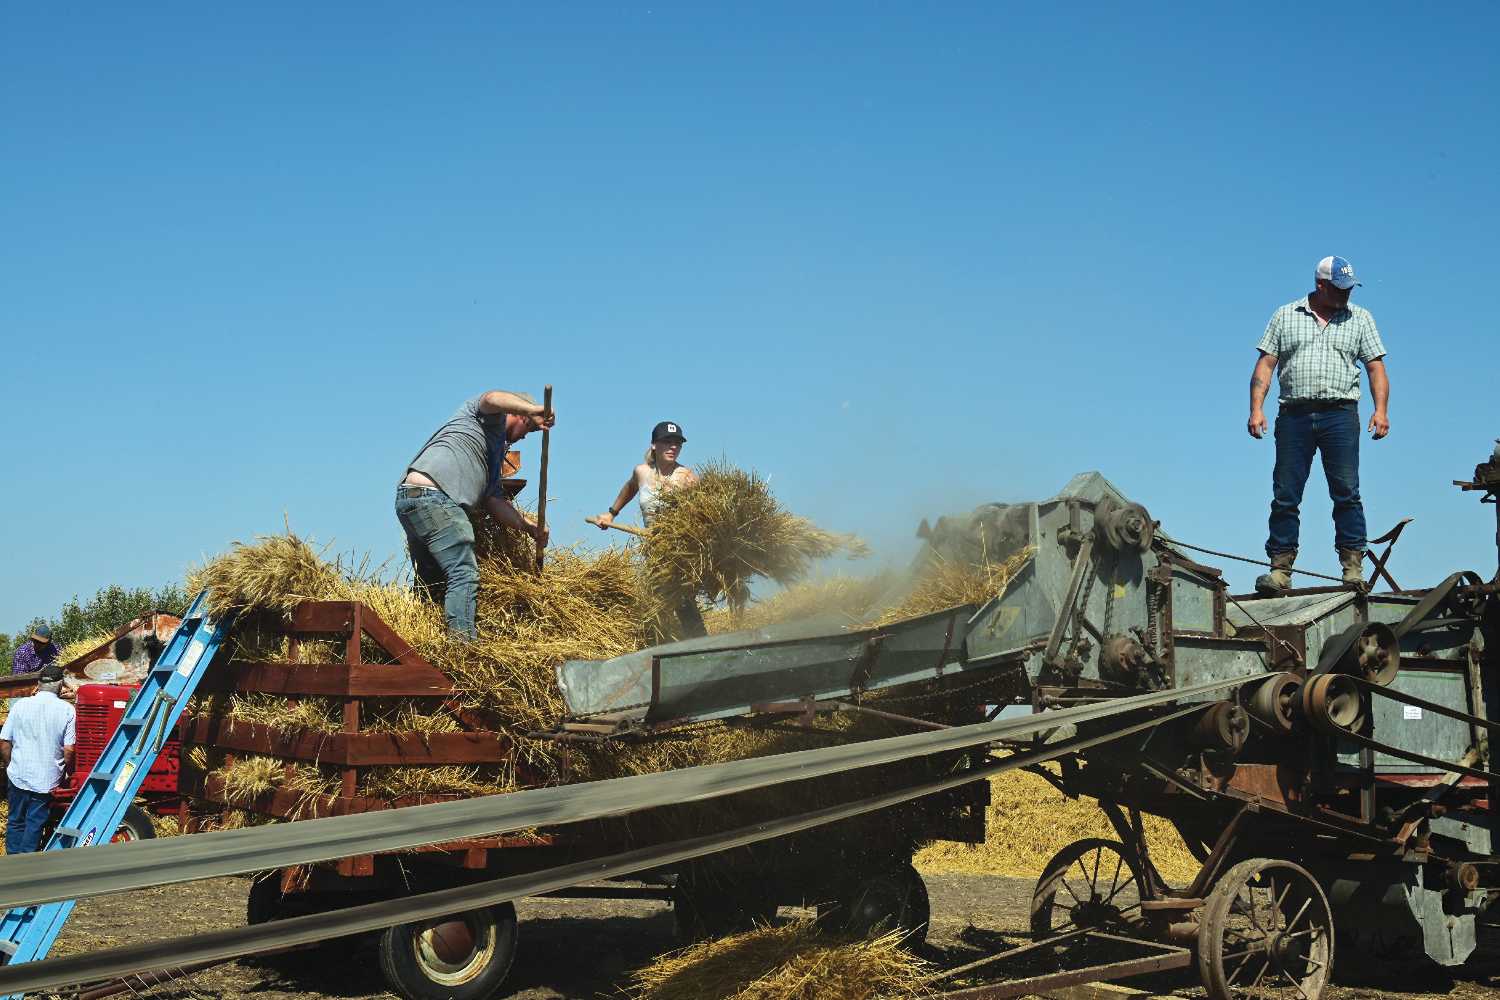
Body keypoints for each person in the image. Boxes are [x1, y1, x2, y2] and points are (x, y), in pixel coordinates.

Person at [1248, 256, 1389, 594]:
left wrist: (1381, 410)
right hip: (1294, 416)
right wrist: (1256, 409)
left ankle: (1352, 568)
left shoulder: (1361, 318)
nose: (1346, 295)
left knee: (1346, 492)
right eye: (1339, 289)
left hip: (1340, 415)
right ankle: (1280, 571)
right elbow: (1266, 365)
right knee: (1285, 494)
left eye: (1349, 289)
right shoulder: (1286, 315)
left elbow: (1375, 368)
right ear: (1320, 285)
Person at [397, 390, 555, 639]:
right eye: (529, 430)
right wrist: (531, 410)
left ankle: (421, 644)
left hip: (412, 499)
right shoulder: (487, 417)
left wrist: (528, 527)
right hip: (436, 497)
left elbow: (494, 501)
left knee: (433, 581)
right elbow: (492, 398)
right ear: (519, 415)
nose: (525, 437)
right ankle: (462, 649)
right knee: (463, 572)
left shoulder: (492, 456)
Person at [595, 421, 707, 637]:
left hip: (679, 554)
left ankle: (702, 649)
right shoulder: (642, 472)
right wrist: (611, 513)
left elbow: (703, 516)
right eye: (667, 442)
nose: (673, 447)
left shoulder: (687, 477)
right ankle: (663, 650)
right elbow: (629, 488)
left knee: (683, 605)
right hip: (654, 553)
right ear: (654, 445)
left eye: (677, 443)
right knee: (654, 605)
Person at [0, 663, 76, 854]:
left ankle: (12, 862)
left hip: (18, 775)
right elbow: (69, 749)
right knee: (34, 824)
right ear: (60, 685)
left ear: (39, 684)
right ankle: (28, 868)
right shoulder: (67, 710)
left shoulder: (20, 706)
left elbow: (4, 741)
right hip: (46, 779)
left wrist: (10, 765)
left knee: (16, 821)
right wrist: (66, 772)